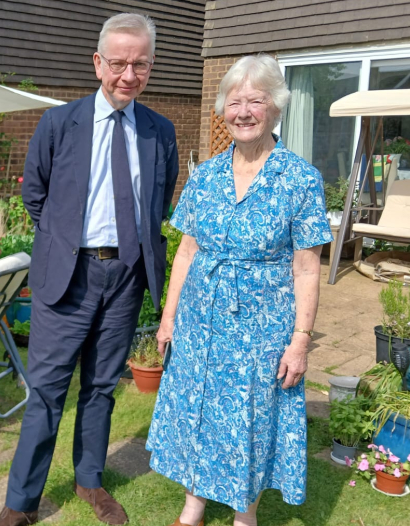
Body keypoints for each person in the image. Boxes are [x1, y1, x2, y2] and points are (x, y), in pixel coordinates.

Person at [0, 13, 179, 526]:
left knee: (101, 386)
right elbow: (36, 196)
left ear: (150, 65)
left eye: (139, 64)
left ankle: (90, 480)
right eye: (118, 62)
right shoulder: (58, 124)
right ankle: (21, 501)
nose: (127, 74)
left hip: (125, 279)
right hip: (68, 277)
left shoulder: (160, 132)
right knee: (48, 392)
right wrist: (69, 244)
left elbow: (156, 205)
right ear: (98, 63)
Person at [145, 54, 333, 526]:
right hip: (198, 319)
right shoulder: (204, 175)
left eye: (256, 100)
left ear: (276, 109)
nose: (243, 111)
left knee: (247, 420)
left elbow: (307, 268)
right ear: (222, 109)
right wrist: (168, 320)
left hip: (261, 326)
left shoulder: (300, 179)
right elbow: (186, 252)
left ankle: (243, 515)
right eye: (234, 102)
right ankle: (193, 507)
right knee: (198, 409)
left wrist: (300, 341)